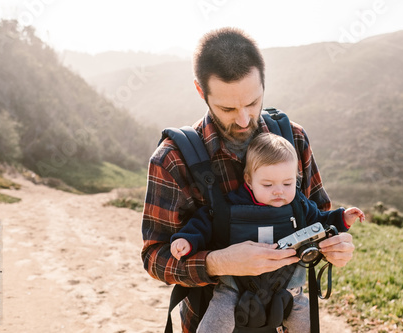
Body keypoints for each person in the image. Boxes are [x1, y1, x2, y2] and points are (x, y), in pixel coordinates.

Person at [141, 27, 356, 333]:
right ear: (201, 92)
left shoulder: (292, 138)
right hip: (213, 320)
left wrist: (334, 247)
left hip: (284, 317)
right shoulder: (172, 159)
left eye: (253, 103)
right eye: (227, 108)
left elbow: (318, 219)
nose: (243, 120)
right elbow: (154, 257)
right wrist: (218, 263)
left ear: (263, 84)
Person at [169, 132, 365, 332]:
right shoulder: (231, 204)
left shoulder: (299, 204)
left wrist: (342, 218)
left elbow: (321, 222)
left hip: (289, 286)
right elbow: (204, 223)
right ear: (249, 180)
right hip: (234, 286)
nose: (278, 191)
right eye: (268, 185)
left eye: (287, 183)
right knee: (217, 318)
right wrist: (187, 240)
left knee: (305, 321)